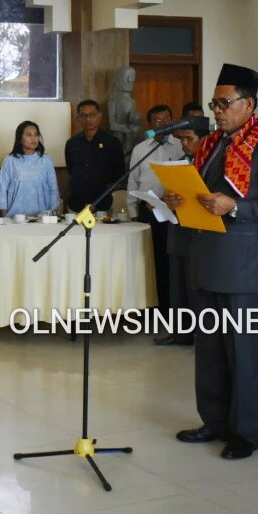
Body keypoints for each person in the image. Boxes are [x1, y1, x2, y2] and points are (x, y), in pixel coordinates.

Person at [164, 64, 258, 460]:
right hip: (204, 257)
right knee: (210, 349)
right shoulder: (211, 144)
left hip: (242, 265)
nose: (217, 110)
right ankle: (214, 421)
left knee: (243, 350)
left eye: (225, 103)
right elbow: (202, 192)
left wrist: (235, 206)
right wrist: (178, 198)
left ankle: (246, 431)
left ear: (248, 104)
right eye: (214, 103)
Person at [154, 116, 211, 347]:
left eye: (189, 139)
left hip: (199, 232)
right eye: (181, 139)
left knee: (196, 286)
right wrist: (165, 199)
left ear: (204, 139)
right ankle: (181, 331)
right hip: (177, 228)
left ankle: (203, 333)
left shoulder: (210, 164)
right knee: (177, 283)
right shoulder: (179, 162)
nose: (185, 144)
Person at [127, 105, 185, 312]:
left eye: (167, 119)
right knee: (147, 260)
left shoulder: (181, 146)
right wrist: (133, 213)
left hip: (174, 212)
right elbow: (133, 183)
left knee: (169, 261)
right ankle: (149, 307)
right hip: (148, 211)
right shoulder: (141, 149)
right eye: (158, 120)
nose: (163, 123)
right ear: (150, 124)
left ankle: (170, 308)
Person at [65, 99, 124, 213]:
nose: (88, 119)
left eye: (92, 115)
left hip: (103, 204)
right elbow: (71, 169)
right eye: (83, 115)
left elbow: (119, 173)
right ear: (78, 118)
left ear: (99, 116)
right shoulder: (72, 143)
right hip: (76, 204)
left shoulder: (112, 143)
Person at [0, 120, 59, 218]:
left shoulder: (45, 160)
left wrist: (54, 212)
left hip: (42, 217)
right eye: (29, 135)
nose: (33, 138)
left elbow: (53, 188)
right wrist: (3, 215)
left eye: (36, 134)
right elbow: (2, 188)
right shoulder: (10, 160)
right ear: (20, 138)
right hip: (15, 217)